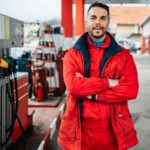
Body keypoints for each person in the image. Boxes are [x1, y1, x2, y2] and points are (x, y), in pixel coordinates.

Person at [58, 2, 139, 150]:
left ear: (108, 21)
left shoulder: (124, 56)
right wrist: (109, 83)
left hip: (113, 134)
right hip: (80, 133)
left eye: (103, 18)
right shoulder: (72, 55)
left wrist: (94, 95)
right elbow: (74, 87)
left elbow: (130, 89)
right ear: (86, 22)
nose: (97, 22)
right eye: (93, 17)